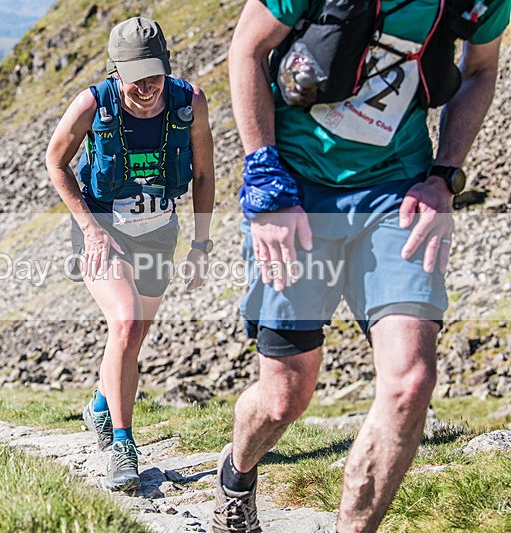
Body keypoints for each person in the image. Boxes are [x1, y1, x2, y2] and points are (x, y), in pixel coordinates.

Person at [216, 1, 510, 532]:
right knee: (285, 395)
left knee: (410, 382)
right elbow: (247, 48)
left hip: (399, 193)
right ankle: (237, 475)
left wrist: (444, 175)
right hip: (296, 191)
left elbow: (481, 68)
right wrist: (264, 178)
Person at [46, 17, 215, 492]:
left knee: (134, 338)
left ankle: (100, 405)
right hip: (103, 231)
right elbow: (55, 162)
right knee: (124, 323)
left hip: (160, 232)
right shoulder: (92, 104)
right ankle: (122, 444)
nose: (145, 87)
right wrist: (89, 230)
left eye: (154, 75)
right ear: (115, 69)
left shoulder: (189, 102)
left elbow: (203, 177)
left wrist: (200, 244)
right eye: (135, 76)